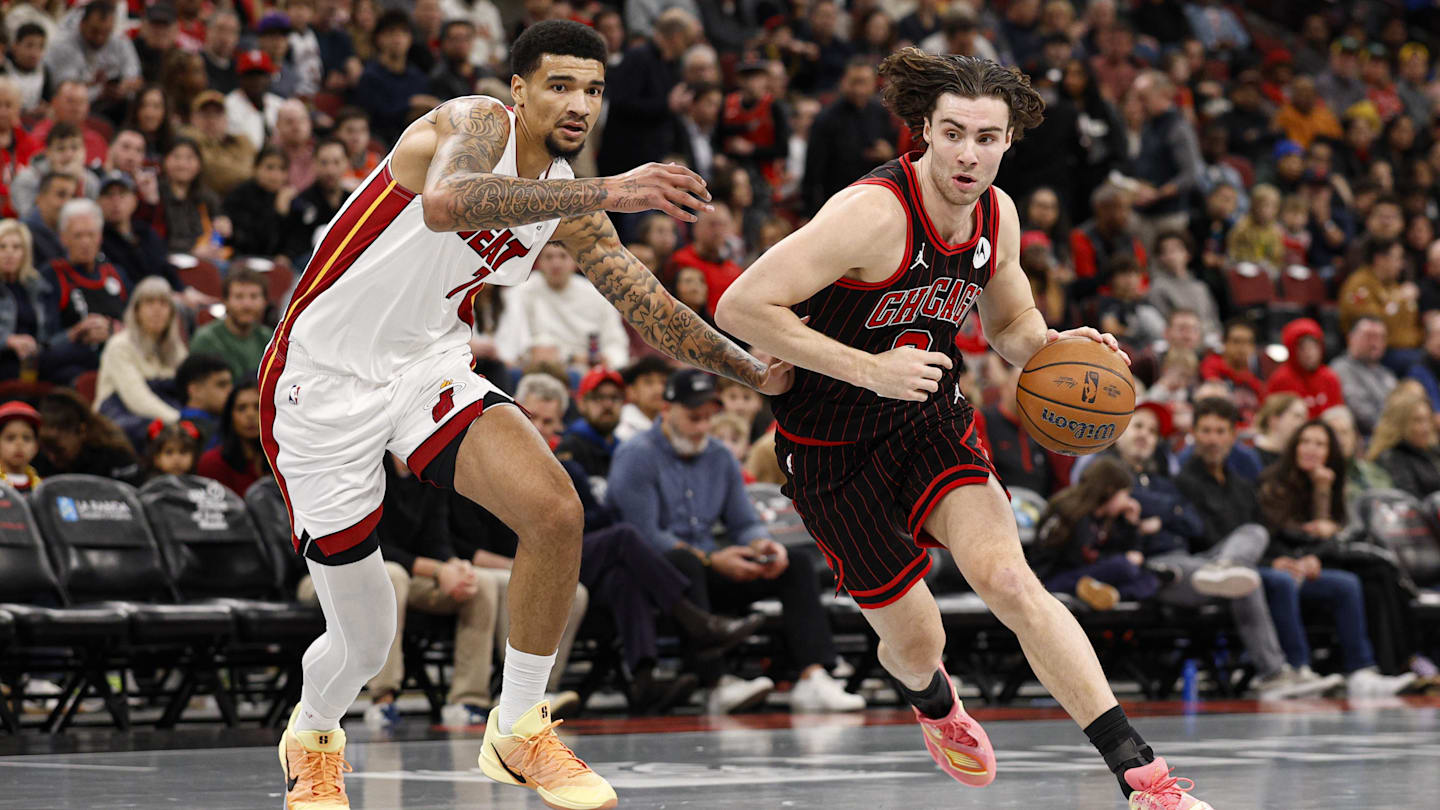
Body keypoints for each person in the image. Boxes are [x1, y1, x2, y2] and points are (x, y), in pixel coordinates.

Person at [265, 20, 794, 810]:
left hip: (426, 364)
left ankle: (516, 728)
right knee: (367, 638)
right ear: (519, 90)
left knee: (554, 511)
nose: (579, 103)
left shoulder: (571, 204)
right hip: (321, 379)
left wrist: (753, 370)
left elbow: (647, 306)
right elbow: (450, 203)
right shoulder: (474, 121)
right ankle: (313, 734)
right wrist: (611, 188)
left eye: (592, 89)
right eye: (560, 85)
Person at [717, 49, 1212, 808]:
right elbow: (742, 307)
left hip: (929, 423)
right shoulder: (870, 213)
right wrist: (866, 367)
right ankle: (936, 704)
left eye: (987, 137)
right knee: (917, 641)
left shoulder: (998, 213)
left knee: (1012, 581)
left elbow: (1011, 322)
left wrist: (1061, 351)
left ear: (1009, 141)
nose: (968, 153)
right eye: (953, 133)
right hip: (829, 447)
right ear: (923, 130)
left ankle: (1145, 778)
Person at [607, 369, 862, 714]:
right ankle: (717, 683)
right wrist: (714, 560)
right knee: (686, 563)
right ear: (667, 410)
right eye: (692, 418)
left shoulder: (720, 456)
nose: (701, 428)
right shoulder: (636, 455)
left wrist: (762, 546)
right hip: (657, 577)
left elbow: (743, 522)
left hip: (711, 565)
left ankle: (813, 676)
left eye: (707, 418)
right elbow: (645, 537)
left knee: (794, 563)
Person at [1258, 419, 1420, 694]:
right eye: (1305, 441)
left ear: (1329, 452)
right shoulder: (1273, 483)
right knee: (1342, 582)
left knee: (1361, 581)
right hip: (1277, 564)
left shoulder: (1330, 482)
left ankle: (1365, 670)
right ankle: (1299, 670)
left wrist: (1323, 495)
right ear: (1294, 447)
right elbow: (1280, 532)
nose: (1311, 449)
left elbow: (1335, 537)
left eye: (1319, 444)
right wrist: (1308, 552)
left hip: (1311, 565)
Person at [1034, 458, 1163, 609]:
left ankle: (1109, 594)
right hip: (1055, 578)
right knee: (1124, 566)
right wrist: (1119, 560)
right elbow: (1079, 557)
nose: (1128, 501)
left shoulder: (1106, 518)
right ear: (1110, 490)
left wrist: (1131, 525)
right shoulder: (1070, 512)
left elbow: (1129, 551)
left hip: (1087, 574)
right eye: (1125, 495)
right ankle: (1102, 591)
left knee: (1149, 578)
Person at [505, 242, 629, 371]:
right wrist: (569, 357)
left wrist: (607, 360)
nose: (556, 264)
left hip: (589, 369)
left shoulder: (597, 295)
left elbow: (616, 342)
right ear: (539, 262)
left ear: (575, 261)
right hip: (539, 368)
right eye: (549, 257)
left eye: (563, 256)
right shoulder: (522, 292)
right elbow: (516, 342)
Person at [94, 276, 188, 442]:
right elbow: (136, 399)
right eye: (149, 303)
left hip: (164, 413)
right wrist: (179, 421)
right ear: (136, 311)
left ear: (172, 312)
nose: (157, 310)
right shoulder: (120, 345)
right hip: (122, 416)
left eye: (163, 303)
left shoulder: (176, 348)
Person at [33, 389, 141, 484]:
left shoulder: (115, 455)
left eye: (58, 451)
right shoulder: (37, 455)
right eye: (47, 450)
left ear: (82, 431)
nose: (52, 458)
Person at [188, 268, 273, 381]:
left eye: (254, 296)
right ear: (225, 302)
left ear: (265, 302)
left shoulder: (269, 338)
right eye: (239, 297)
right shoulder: (206, 339)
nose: (247, 305)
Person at [196, 378, 267, 496]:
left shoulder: (285, 459)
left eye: (257, 406)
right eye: (241, 408)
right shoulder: (212, 463)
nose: (250, 415)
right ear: (230, 415)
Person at [1368, 385, 1440, 499]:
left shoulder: (1432, 451)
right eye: (1418, 420)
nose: (1426, 428)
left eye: (1428, 419)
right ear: (1400, 424)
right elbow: (1411, 501)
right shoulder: (1390, 457)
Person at [1264, 317, 1345, 418]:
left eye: (1314, 346)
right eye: (1302, 348)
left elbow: (1338, 415)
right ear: (1292, 350)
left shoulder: (1330, 377)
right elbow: (1271, 418)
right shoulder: (1280, 380)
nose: (1309, 353)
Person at [1329, 317, 1396, 436]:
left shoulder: (1387, 373)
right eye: (1369, 336)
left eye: (1381, 337)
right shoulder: (1341, 369)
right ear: (1350, 339)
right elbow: (1361, 413)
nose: (1375, 343)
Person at [555, 367, 623, 477]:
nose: (608, 404)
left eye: (614, 397)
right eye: (598, 397)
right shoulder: (570, 449)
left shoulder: (623, 449)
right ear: (581, 403)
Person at [225, 50, 285, 154]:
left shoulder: (280, 104)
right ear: (240, 78)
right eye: (250, 75)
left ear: (269, 77)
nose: (257, 80)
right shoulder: (228, 106)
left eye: (261, 74)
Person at [173, 353, 233, 450]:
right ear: (195, 390)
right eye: (221, 385)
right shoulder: (181, 435)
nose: (231, 391)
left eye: (230, 384)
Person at [615, 354, 673, 441]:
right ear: (631, 391)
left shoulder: (673, 423)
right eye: (648, 382)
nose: (659, 389)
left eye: (663, 382)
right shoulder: (619, 428)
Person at [1252, 393, 1310, 468]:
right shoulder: (1253, 457)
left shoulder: (1297, 459)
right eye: (1297, 416)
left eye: (1305, 418)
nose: (1303, 423)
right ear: (1274, 420)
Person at [0, 400, 42, 492]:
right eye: (10, 438)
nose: (19, 444)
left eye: (26, 438)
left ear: (36, 447)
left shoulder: (43, 488)